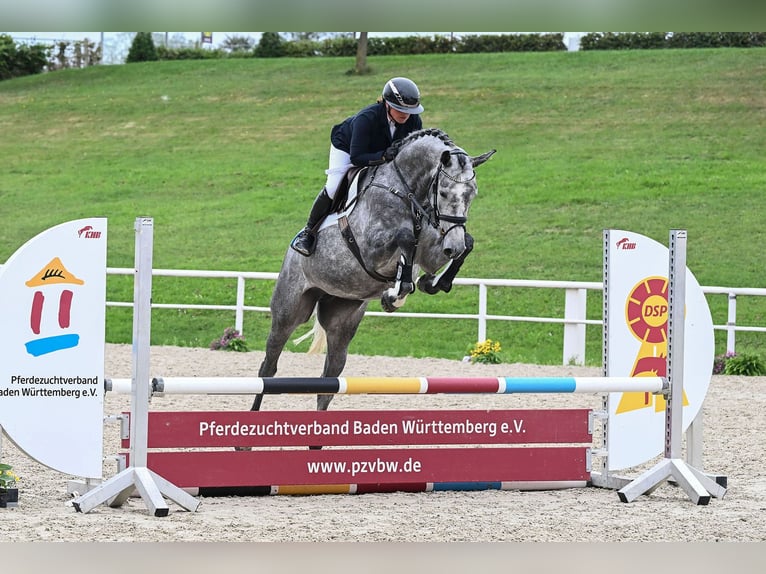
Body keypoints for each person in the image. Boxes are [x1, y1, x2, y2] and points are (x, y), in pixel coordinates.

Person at [290, 77, 425, 256]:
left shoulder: (414, 121)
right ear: (386, 104)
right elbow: (357, 156)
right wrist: (383, 156)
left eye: (410, 110)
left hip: (381, 151)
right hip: (348, 148)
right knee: (333, 186)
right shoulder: (366, 118)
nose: (405, 114)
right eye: (400, 109)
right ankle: (308, 233)